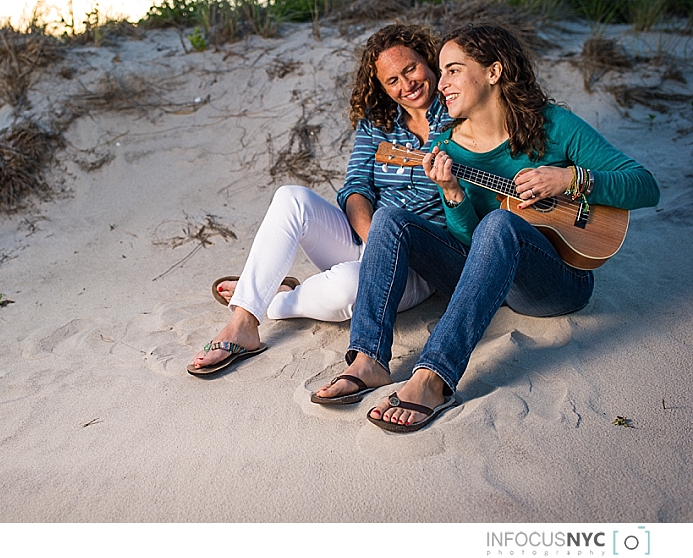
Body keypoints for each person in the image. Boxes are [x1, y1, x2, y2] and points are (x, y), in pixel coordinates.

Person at [332, 24, 660, 432]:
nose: (441, 83)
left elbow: (646, 186)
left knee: (501, 222)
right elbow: (474, 245)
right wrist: (453, 194)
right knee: (391, 218)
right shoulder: (447, 147)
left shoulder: (553, 125)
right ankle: (369, 358)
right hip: (485, 277)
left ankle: (433, 376)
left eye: (452, 70)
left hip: (557, 281)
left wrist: (569, 180)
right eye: (441, 71)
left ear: (493, 71)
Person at [188, 24, 454, 390]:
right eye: (392, 80)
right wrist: (374, 239)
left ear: (429, 59)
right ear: (380, 87)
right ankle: (243, 322)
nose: (405, 85)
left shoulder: (459, 111)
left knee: (347, 286)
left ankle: (276, 298)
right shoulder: (378, 123)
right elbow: (356, 188)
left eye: (411, 69)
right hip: (368, 236)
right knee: (290, 197)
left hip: (418, 263)